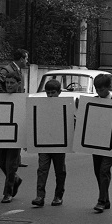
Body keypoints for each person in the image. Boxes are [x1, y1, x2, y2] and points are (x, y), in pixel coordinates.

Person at [0, 49, 29, 168]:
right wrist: (4, 95)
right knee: (4, 131)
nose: (27, 61)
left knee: (17, 131)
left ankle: (16, 159)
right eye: (26, 58)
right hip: (8, 105)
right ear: (22, 59)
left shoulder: (17, 69)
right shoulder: (8, 69)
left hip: (17, 104)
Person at [31, 78, 66, 207]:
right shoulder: (41, 105)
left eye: (53, 93)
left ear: (59, 92)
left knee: (59, 171)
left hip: (59, 145)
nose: (50, 96)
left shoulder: (65, 106)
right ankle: (40, 196)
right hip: (44, 143)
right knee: (42, 169)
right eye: (48, 93)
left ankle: (58, 195)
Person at [91, 72, 112, 213]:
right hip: (96, 142)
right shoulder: (93, 101)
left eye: (101, 89)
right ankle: (106, 199)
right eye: (96, 89)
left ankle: (101, 200)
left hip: (110, 143)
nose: (99, 92)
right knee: (98, 171)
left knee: (104, 170)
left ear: (108, 87)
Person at [0, 74, 23, 203]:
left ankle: (8, 192)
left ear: (18, 84)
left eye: (11, 83)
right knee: (2, 162)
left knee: (11, 165)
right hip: (1, 135)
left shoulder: (23, 99)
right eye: (7, 82)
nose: (8, 85)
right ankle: (16, 179)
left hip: (16, 137)